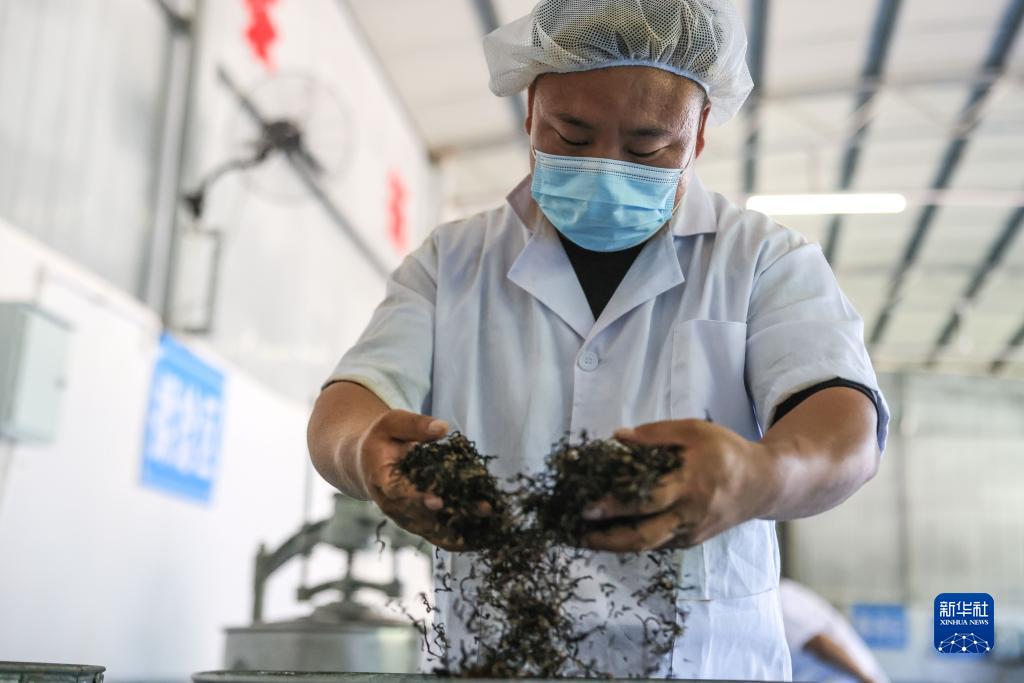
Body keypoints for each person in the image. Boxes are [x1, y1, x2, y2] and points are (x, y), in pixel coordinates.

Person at [308, 0, 889, 678]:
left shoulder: (763, 261)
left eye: (647, 147)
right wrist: (363, 453)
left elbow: (844, 428)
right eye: (572, 136)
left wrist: (761, 476)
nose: (608, 168)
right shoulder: (452, 263)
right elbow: (348, 407)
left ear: (700, 132)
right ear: (531, 110)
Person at [780, 579, 891, 683]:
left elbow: (820, 643)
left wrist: (867, 680)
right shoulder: (787, 593)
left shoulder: (782, 598)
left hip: (848, 677)